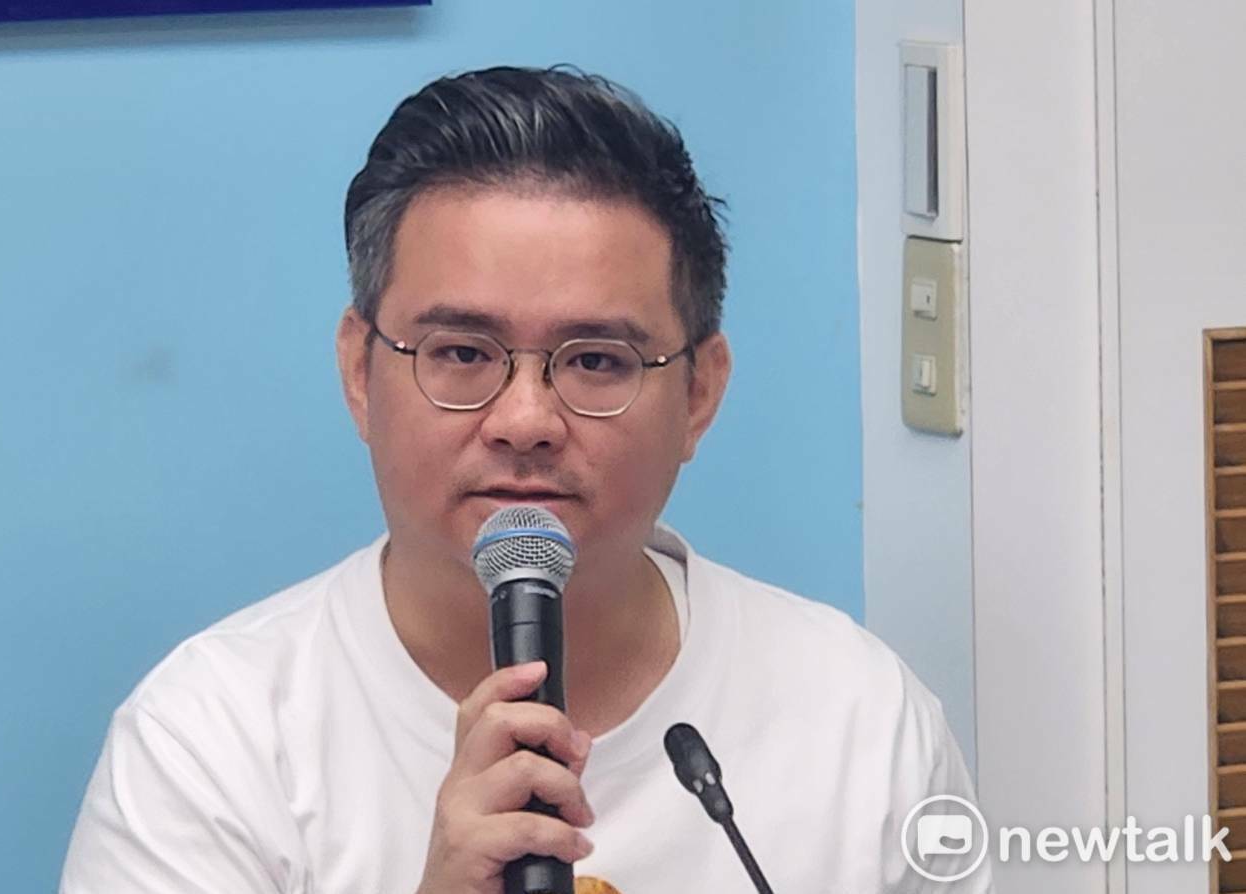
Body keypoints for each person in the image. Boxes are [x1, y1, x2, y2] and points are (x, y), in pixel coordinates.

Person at [60, 65, 991, 894]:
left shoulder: (858, 717)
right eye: (463, 352)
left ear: (699, 393)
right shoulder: (209, 742)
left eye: (595, 361)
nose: (525, 421)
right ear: (359, 373)